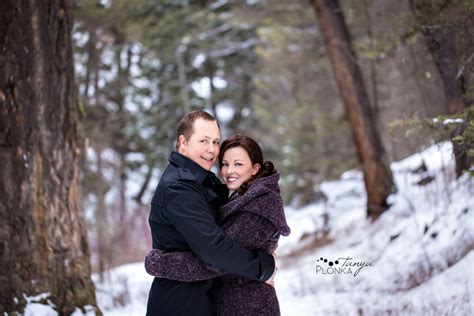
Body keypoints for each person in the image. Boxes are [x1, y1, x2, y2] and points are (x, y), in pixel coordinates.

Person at [146, 111, 276, 316]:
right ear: (183, 142)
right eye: (203, 141)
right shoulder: (179, 187)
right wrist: (264, 267)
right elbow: (213, 248)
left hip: (201, 300)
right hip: (181, 304)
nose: (211, 150)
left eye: (216, 142)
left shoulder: (201, 181)